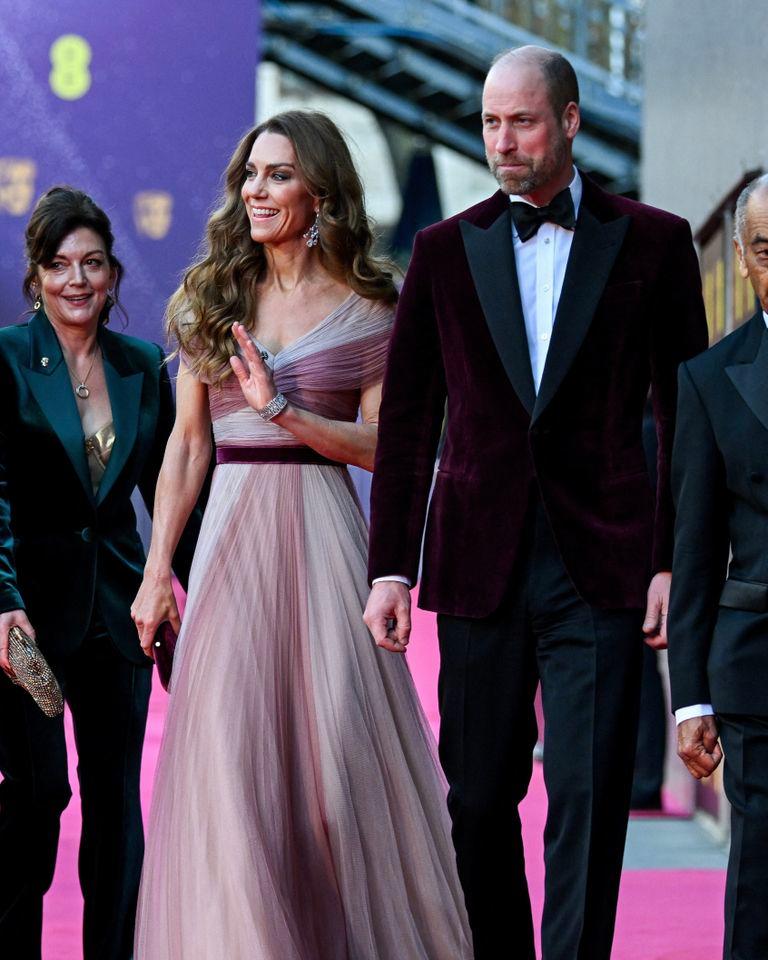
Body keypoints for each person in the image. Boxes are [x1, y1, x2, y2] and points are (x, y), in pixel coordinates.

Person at [364, 45, 708, 960]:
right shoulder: (442, 251)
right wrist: (390, 566)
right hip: (479, 560)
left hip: (604, 562)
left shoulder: (656, 242)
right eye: (489, 122)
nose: (502, 141)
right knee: (475, 797)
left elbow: (684, 416)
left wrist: (674, 556)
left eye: (521, 120)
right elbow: (408, 423)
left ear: (569, 120)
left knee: (590, 799)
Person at [131, 110, 472, 960]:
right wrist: (156, 568)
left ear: (320, 192)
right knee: (230, 776)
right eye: (250, 173)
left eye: (278, 174)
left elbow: (392, 448)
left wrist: (284, 410)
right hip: (229, 547)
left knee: (330, 785)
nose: (256, 189)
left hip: (322, 537)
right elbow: (187, 446)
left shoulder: (370, 307)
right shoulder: (208, 297)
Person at [0, 186, 199, 960]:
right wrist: (4, 599)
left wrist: (199, 587)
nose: (76, 280)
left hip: (118, 615)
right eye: (59, 264)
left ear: (114, 274)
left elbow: (169, 495)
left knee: (117, 805)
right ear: (37, 275)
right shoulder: (8, 357)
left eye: (91, 264)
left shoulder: (143, 365)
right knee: (40, 790)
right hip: (27, 624)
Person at [668, 172, 768, 960]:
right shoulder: (707, 379)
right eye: (767, 249)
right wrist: (689, 698)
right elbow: (695, 553)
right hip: (757, 665)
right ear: (741, 258)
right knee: (762, 870)